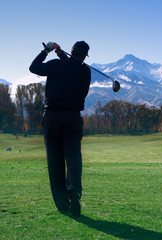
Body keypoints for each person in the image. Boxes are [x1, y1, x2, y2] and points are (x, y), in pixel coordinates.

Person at [29, 41, 91, 217]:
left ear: (72, 51)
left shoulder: (56, 65)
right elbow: (74, 67)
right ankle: (75, 190)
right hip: (73, 118)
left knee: (55, 160)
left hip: (52, 117)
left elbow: (34, 67)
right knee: (73, 156)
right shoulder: (85, 71)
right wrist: (63, 56)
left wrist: (46, 51)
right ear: (85, 55)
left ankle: (62, 202)